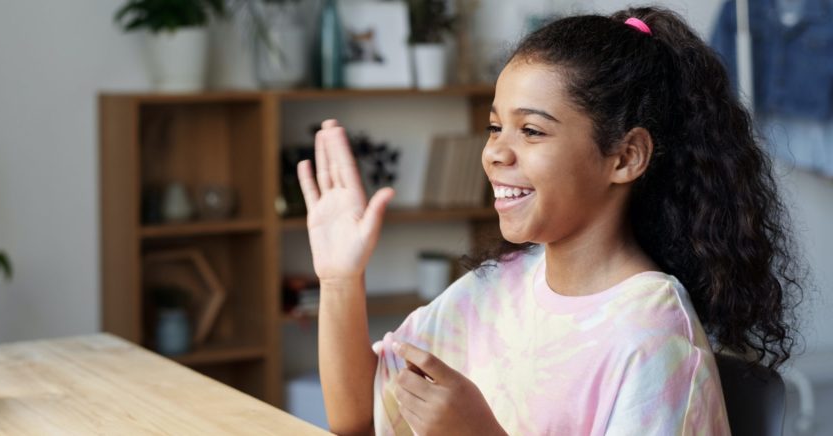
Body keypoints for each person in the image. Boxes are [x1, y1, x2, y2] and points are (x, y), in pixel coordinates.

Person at [296, 6, 804, 436]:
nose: (495, 152)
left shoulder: (654, 343)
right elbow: (358, 415)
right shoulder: (491, 290)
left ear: (625, 157)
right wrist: (340, 279)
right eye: (495, 126)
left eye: (532, 131)